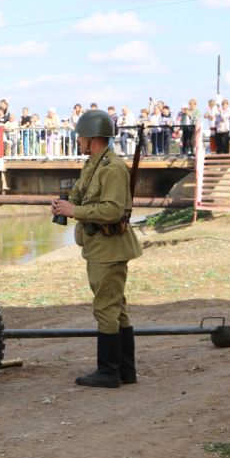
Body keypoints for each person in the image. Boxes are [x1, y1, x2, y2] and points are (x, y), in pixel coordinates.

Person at [51, 109, 142, 388]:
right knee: (117, 309)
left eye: (81, 136)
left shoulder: (112, 168)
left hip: (109, 248)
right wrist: (65, 204)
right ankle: (125, 370)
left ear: (92, 138)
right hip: (99, 246)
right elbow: (81, 192)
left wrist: (75, 210)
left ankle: (108, 371)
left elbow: (113, 210)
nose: (78, 140)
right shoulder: (93, 164)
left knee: (105, 309)